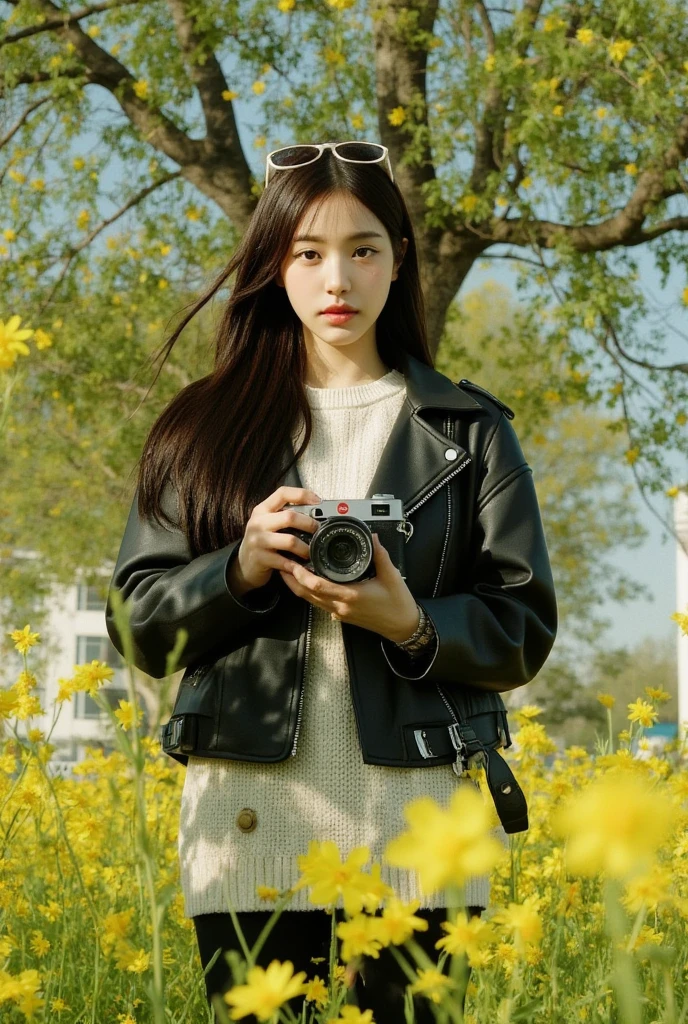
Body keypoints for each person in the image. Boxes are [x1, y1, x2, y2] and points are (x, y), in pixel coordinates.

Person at [105, 140, 558, 1022]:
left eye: (363, 249)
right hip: (249, 835)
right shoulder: (201, 430)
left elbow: (523, 626)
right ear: (274, 265)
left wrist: (411, 623)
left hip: (421, 833)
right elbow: (138, 624)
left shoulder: (470, 434)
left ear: (398, 262)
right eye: (308, 253)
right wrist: (238, 568)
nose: (336, 278)